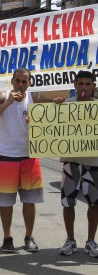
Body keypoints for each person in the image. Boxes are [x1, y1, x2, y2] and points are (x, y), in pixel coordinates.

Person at [0, 68, 43, 253]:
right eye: (18, 81)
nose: (20, 85)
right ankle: (7, 237)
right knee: (6, 202)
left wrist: (34, 122)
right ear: (12, 81)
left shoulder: (33, 98)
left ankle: (29, 236)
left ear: (30, 83)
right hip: (7, 157)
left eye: (24, 82)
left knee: (29, 201)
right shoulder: (3, 96)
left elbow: (45, 121)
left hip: (29, 156)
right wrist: (8, 102)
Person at [58, 70, 98, 257]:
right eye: (80, 84)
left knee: (95, 204)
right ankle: (70, 240)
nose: (83, 87)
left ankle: (91, 241)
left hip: (94, 162)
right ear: (75, 85)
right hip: (70, 162)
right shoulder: (64, 105)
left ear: (93, 86)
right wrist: (54, 108)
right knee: (68, 203)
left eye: (87, 84)